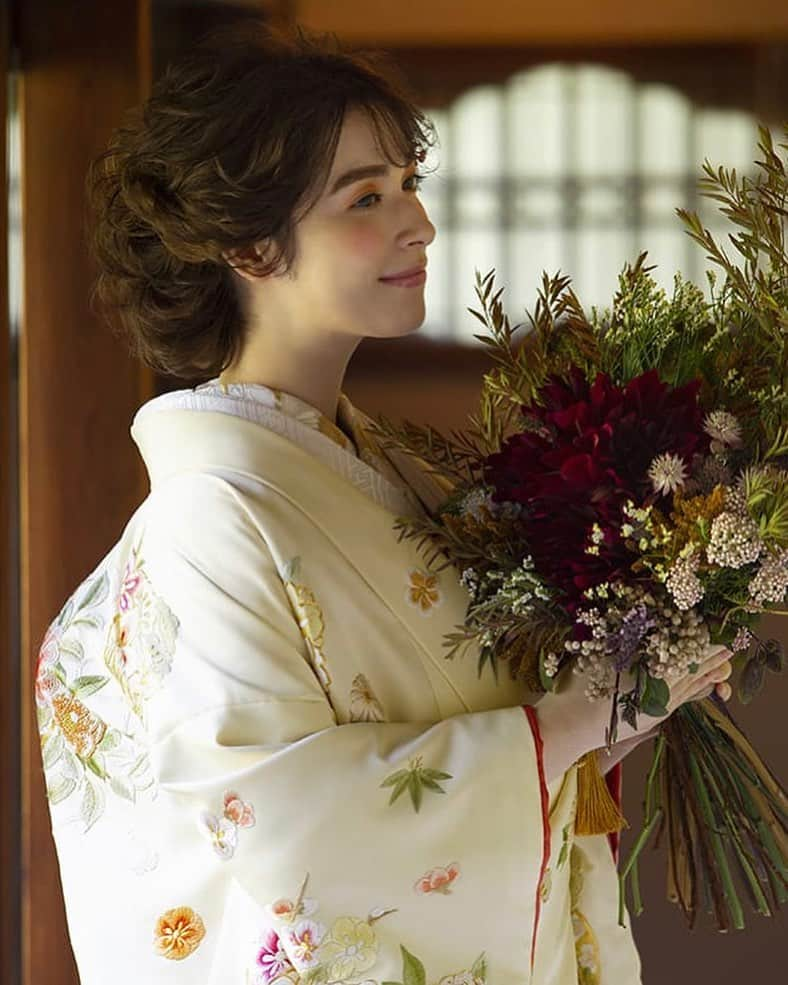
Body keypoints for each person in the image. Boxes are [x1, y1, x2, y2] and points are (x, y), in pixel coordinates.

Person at [35, 18, 733, 985]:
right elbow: (277, 828)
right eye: (367, 196)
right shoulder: (213, 512)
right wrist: (573, 723)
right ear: (247, 243)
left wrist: (648, 679)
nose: (420, 224)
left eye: (410, 184)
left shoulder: (391, 476)